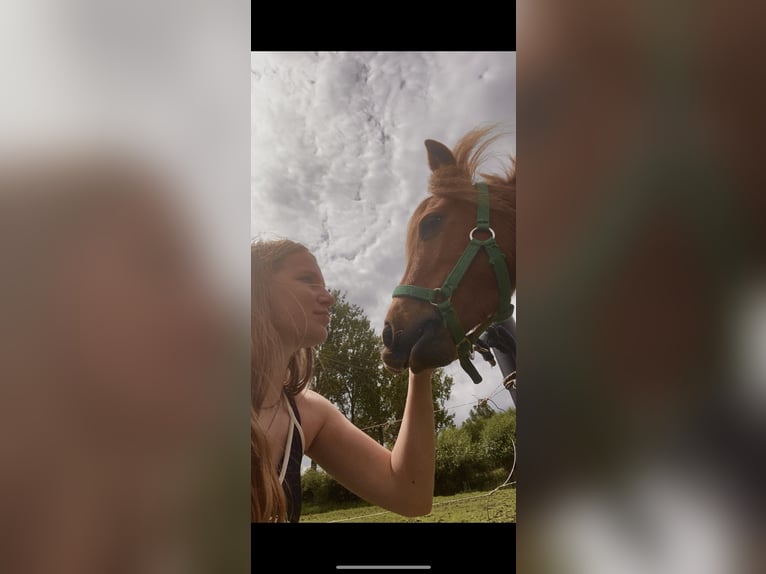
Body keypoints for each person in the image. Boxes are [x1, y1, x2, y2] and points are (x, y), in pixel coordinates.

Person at [251, 239, 436, 522]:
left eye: (325, 286)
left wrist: (419, 370)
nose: (329, 298)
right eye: (307, 279)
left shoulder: (310, 415)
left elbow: (410, 495)